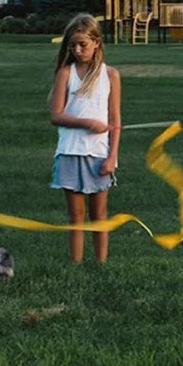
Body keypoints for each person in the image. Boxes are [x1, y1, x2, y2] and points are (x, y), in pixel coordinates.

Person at [49, 14, 122, 263]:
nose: (78, 50)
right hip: (70, 152)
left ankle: (101, 264)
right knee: (76, 216)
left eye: (83, 45)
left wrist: (113, 157)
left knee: (99, 215)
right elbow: (56, 116)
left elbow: (115, 120)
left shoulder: (110, 75)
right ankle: (75, 264)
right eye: (73, 45)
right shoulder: (65, 74)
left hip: (99, 154)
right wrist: (87, 123)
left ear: (97, 43)